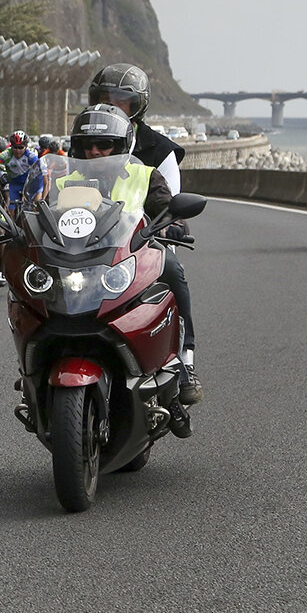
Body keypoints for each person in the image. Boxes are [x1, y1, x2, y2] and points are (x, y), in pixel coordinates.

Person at [58, 105, 201, 409]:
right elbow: (39, 215)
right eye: (87, 145)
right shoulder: (61, 181)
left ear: (121, 145)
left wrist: (174, 224)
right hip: (75, 262)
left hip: (131, 258)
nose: (94, 151)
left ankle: (184, 360)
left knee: (173, 269)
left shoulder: (145, 175)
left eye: (104, 144)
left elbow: (166, 206)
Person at [87, 63, 184, 196]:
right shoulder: (83, 145)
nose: (112, 108)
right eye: (105, 101)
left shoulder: (161, 151)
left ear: (136, 105)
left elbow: (168, 207)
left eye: (120, 101)